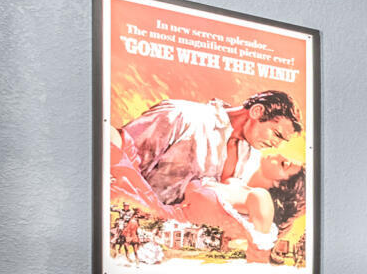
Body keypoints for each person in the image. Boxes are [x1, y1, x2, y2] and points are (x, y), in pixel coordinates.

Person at [114, 90, 301, 218]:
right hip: (133, 220)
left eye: (282, 140)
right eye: (276, 134)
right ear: (257, 111)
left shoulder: (251, 157)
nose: (276, 144)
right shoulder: (182, 116)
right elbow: (118, 162)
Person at [173, 149, 307, 264]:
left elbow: (257, 259)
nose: (279, 155)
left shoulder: (258, 201)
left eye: (284, 164)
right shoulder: (236, 182)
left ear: (280, 185)